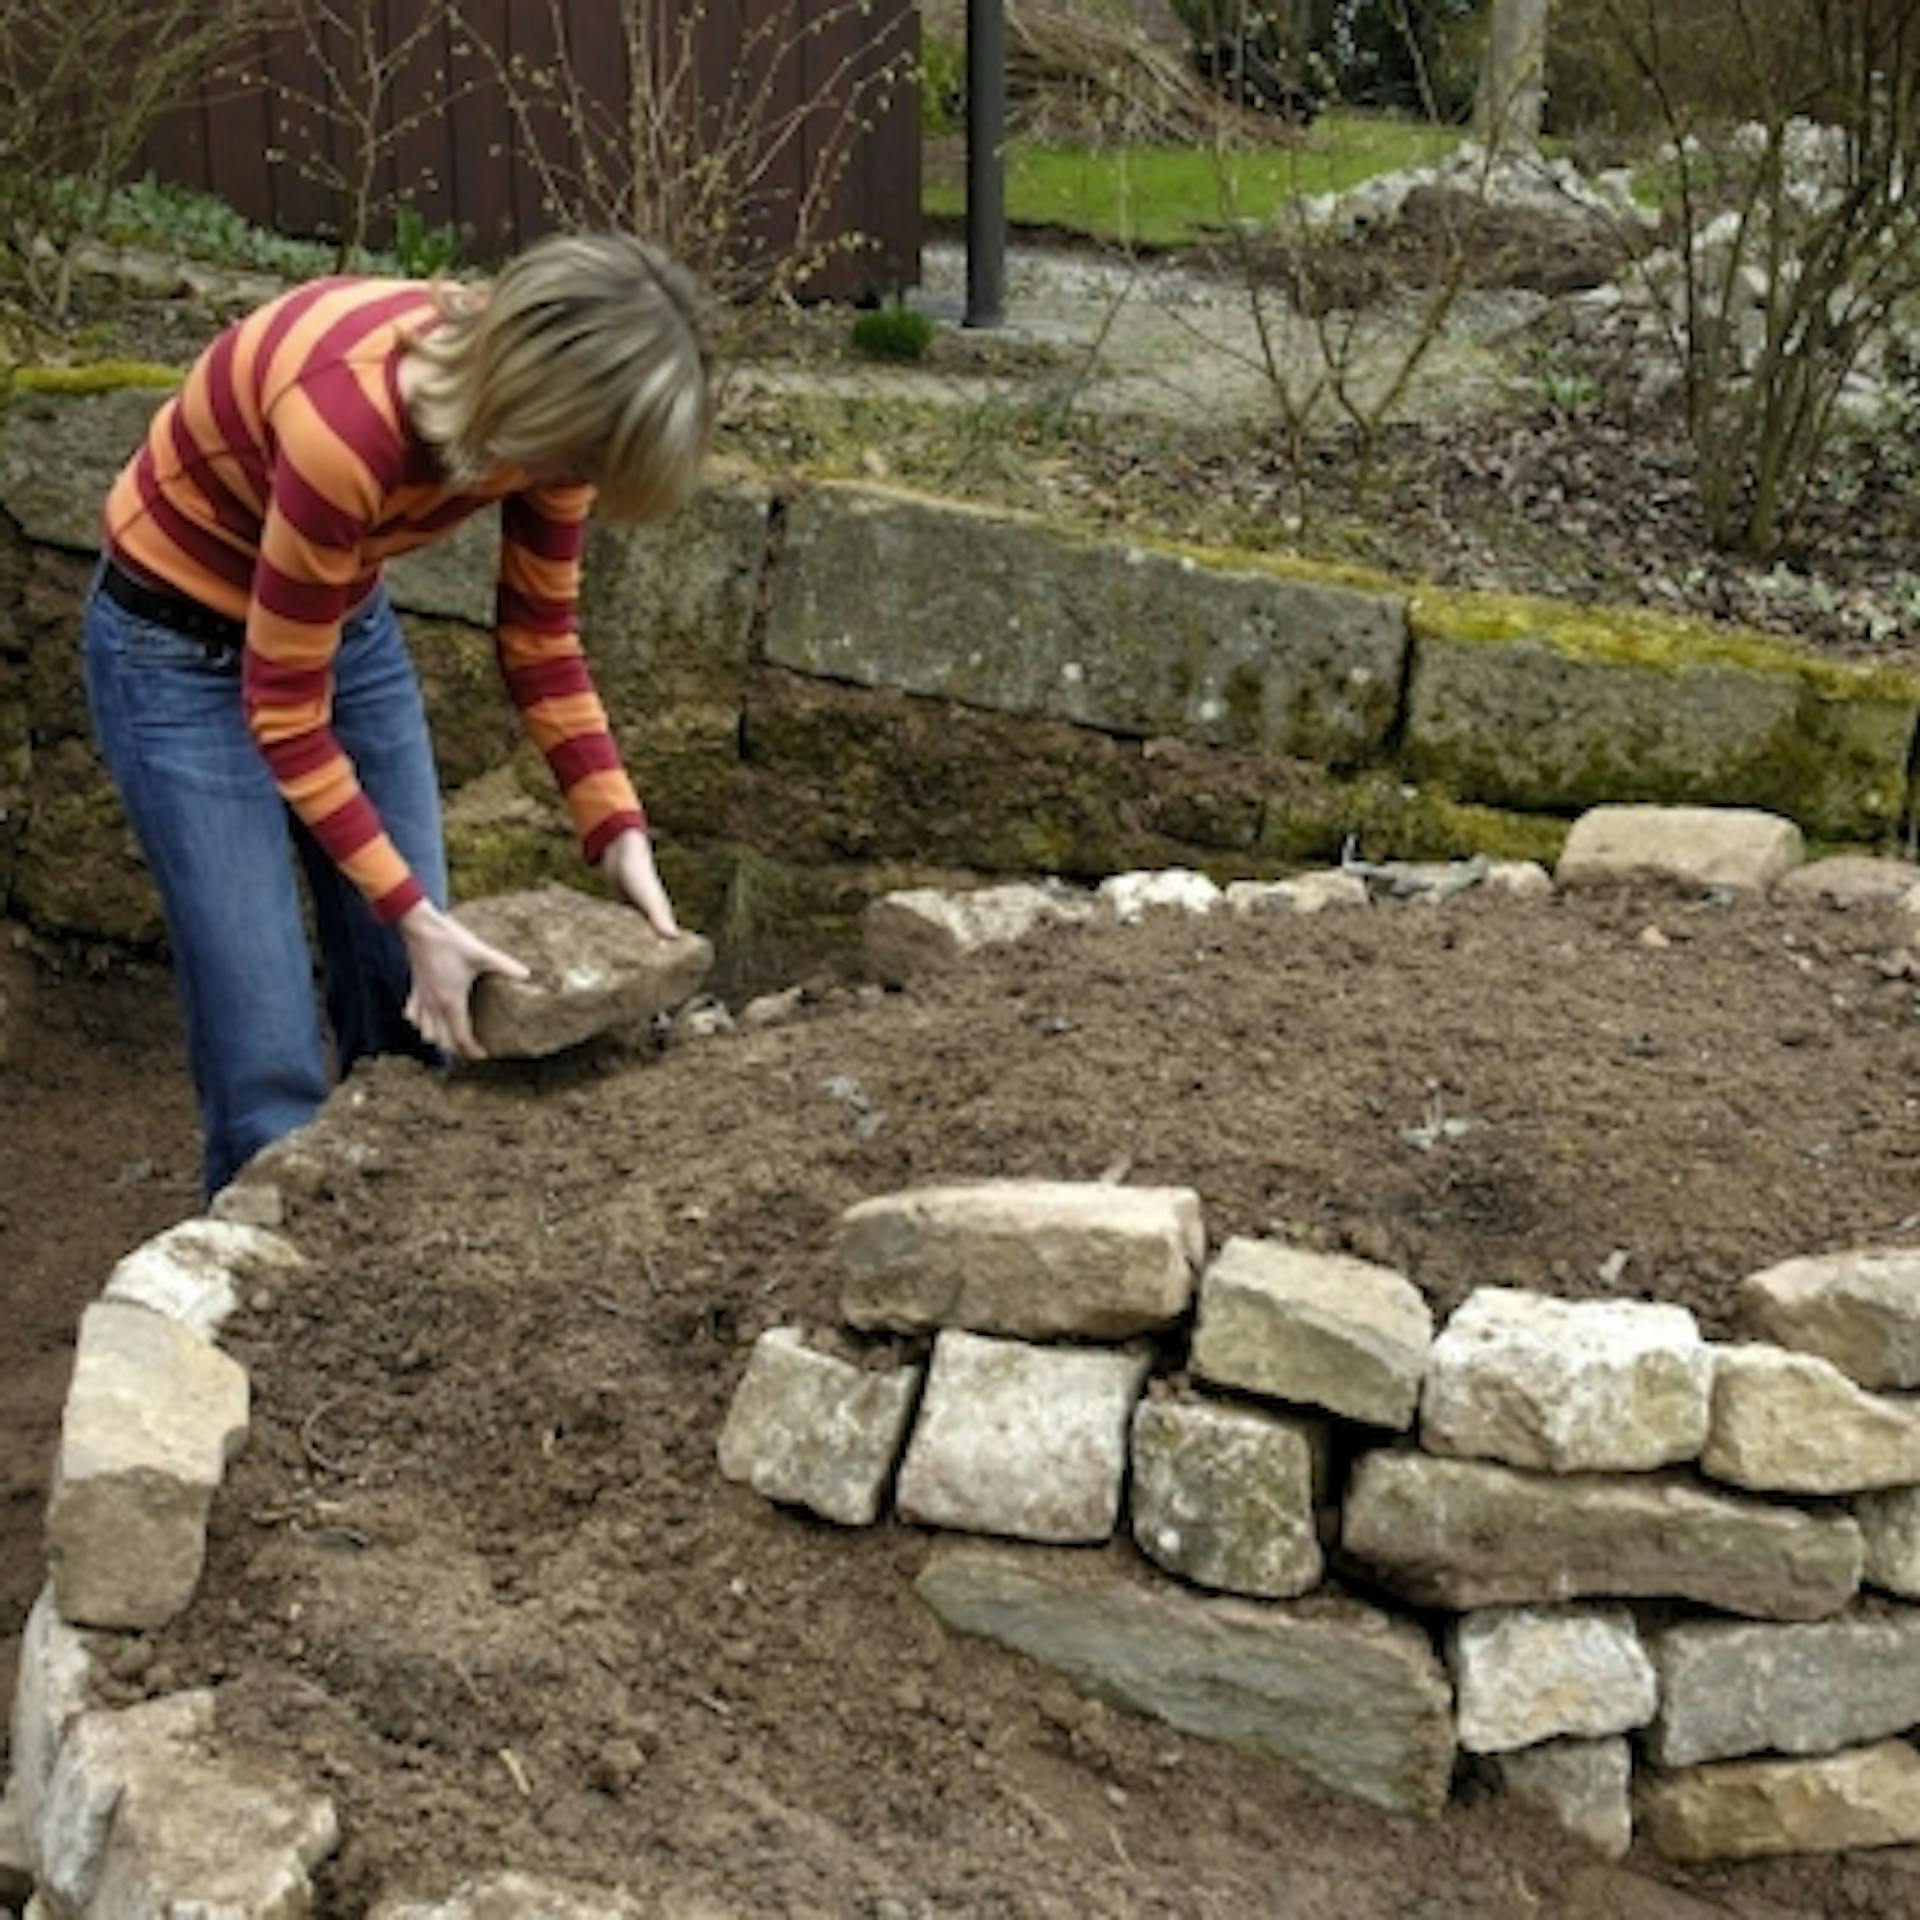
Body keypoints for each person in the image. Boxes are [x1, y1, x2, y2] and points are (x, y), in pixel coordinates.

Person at [83, 231, 712, 1197]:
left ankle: (397, 1264)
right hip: (174, 647)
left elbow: (539, 639)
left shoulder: (555, 432)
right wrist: (416, 909)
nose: (577, 480)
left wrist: (617, 828)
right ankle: (266, 1301)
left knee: (420, 999)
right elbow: (285, 713)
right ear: (535, 397)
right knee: (267, 1048)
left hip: (332, 609)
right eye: (580, 454)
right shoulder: (350, 420)